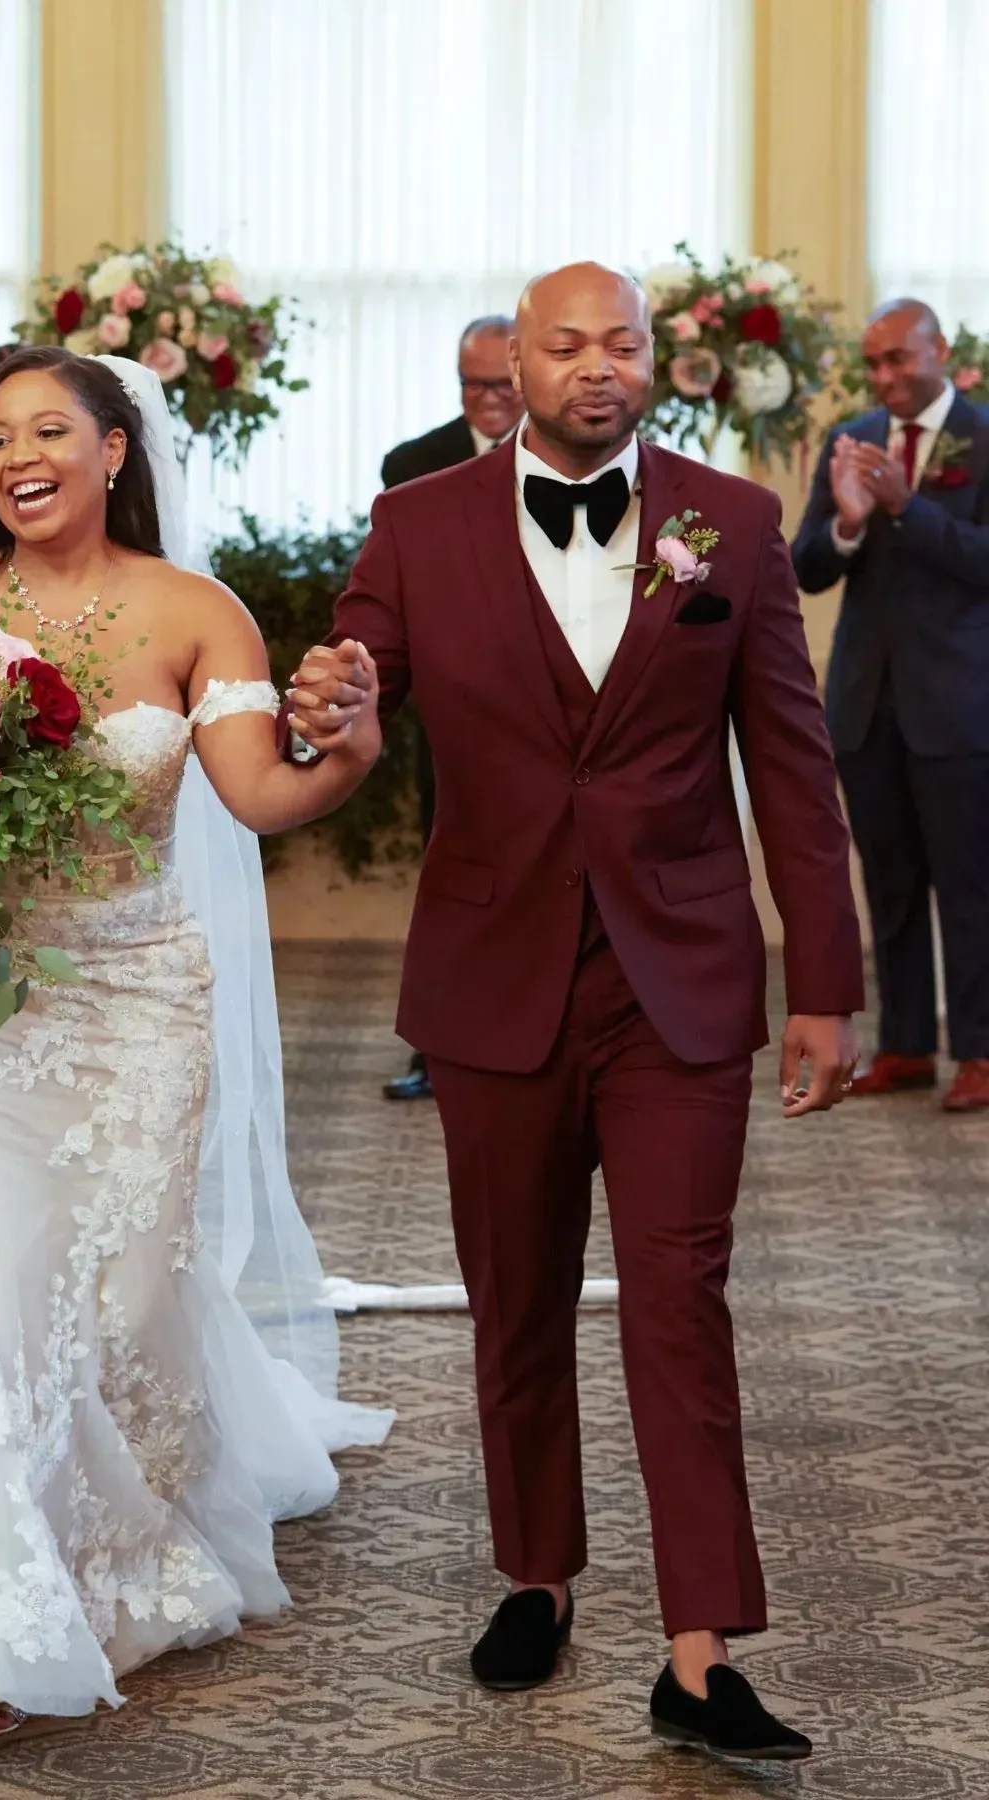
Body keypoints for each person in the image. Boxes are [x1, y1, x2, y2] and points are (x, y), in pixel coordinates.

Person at [0, 347, 393, 1735]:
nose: (18, 455)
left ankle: (111, 1556)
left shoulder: (194, 612)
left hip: (141, 997)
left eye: (52, 428)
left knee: (123, 1295)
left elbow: (260, 795)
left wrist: (345, 755)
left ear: (117, 451)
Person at [287, 263, 863, 1763]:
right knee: (518, 1302)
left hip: (680, 980)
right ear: (511, 369)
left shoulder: (728, 523)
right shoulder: (418, 527)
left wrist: (829, 986)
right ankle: (536, 1576)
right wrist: (334, 704)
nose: (597, 367)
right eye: (566, 346)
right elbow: (359, 683)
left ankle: (699, 1654)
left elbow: (791, 768)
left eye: (622, 343)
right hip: (493, 979)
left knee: (682, 1302)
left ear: (652, 361)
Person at [792, 299, 989, 1111]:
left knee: (971, 884)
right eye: (874, 364)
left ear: (938, 350)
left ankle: (980, 1050)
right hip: (867, 707)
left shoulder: (983, 437)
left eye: (899, 360)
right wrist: (845, 521)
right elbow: (805, 567)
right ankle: (906, 1044)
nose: (885, 378)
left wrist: (910, 509)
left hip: (960, 704)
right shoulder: (855, 439)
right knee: (891, 884)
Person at [380, 316, 524, 1101]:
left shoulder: (577, 457)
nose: (491, 399)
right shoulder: (413, 465)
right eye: (475, 385)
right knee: (454, 878)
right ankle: (438, 1049)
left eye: (503, 384)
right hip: (457, 716)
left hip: (556, 720)